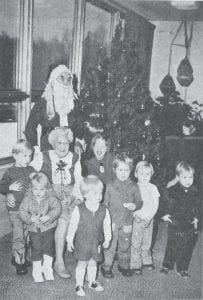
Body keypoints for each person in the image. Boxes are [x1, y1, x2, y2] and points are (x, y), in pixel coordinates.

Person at [26, 127, 82, 278]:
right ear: (53, 144)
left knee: (75, 215)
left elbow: (79, 181)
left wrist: (72, 197)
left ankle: (77, 257)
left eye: (66, 143)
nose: (63, 147)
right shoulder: (44, 156)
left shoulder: (75, 157)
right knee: (62, 218)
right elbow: (29, 172)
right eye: (59, 143)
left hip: (70, 194)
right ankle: (59, 261)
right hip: (49, 194)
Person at [66, 175, 111, 297]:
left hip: (96, 243)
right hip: (82, 243)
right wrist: (69, 240)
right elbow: (73, 226)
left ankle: (92, 282)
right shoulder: (79, 209)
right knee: (82, 263)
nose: (99, 196)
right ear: (85, 195)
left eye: (100, 192)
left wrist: (108, 238)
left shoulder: (103, 209)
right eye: (95, 193)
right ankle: (79, 284)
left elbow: (107, 224)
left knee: (93, 263)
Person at [24, 63, 85, 152]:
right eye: (62, 78)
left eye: (68, 79)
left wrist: (78, 141)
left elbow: (80, 125)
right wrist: (35, 147)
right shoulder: (43, 104)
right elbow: (29, 128)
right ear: (53, 81)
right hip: (49, 148)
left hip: (69, 148)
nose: (65, 83)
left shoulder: (73, 103)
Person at [101, 153, 143, 278]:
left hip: (127, 222)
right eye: (120, 170)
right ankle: (106, 267)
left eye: (126, 170)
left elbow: (140, 202)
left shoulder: (134, 186)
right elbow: (105, 204)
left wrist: (135, 206)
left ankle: (123, 265)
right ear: (114, 170)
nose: (123, 173)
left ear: (131, 170)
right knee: (110, 246)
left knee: (125, 246)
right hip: (112, 222)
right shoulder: (109, 185)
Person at [160, 161, 200, 278]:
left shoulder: (196, 192)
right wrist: (163, 215)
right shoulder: (171, 191)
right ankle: (167, 265)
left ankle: (183, 268)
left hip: (189, 225)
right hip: (175, 223)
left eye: (191, 177)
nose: (188, 180)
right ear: (177, 177)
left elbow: (199, 206)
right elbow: (163, 204)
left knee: (187, 247)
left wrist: (198, 218)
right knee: (172, 244)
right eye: (185, 177)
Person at [19, 172, 61, 282]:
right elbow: (22, 211)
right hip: (34, 229)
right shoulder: (27, 198)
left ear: (46, 189)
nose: (38, 192)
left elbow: (57, 208)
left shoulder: (50, 197)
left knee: (48, 249)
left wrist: (49, 216)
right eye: (35, 189)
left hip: (48, 228)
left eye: (41, 189)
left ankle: (47, 270)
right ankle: (37, 271)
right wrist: (29, 218)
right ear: (31, 188)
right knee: (36, 249)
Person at [0, 139, 34, 275]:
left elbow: (39, 182)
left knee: (26, 235)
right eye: (25, 156)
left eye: (30, 156)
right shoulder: (9, 172)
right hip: (15, 210)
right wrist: (9, 188)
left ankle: (18, 257)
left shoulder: (31, 169)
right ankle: (20, 263)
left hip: (29, 210)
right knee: (19, 235)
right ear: (15, 155)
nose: (28, 159)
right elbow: (1, 186)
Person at [130, 161, 160, 275]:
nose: (144, 176)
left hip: (149, 219)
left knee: (147, 241)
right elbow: (130, 203)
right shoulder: (133, 187)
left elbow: (155, 204)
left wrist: (150, 217)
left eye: (148, 174)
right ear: (136, 174)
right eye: (142, 173)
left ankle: (146, 259)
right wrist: (134, 215)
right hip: (136, 219)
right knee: (136, 242)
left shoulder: (153, 188)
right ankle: (135, 262)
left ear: (151, 175)